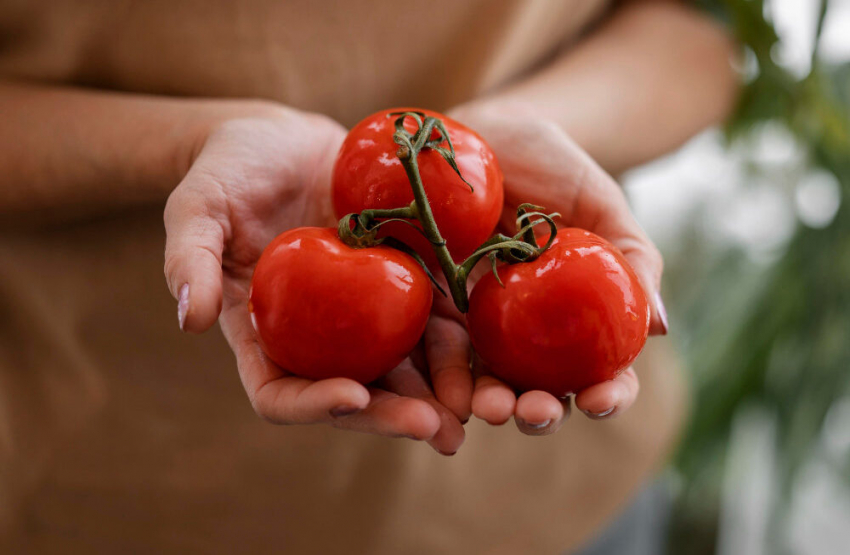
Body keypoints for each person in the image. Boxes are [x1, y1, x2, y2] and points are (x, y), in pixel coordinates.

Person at [0, 0, 737, 552]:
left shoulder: (460, 249)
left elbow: (699, 33)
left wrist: (506, 135)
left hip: (558, 509)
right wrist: (185, 145)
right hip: (118, 501)